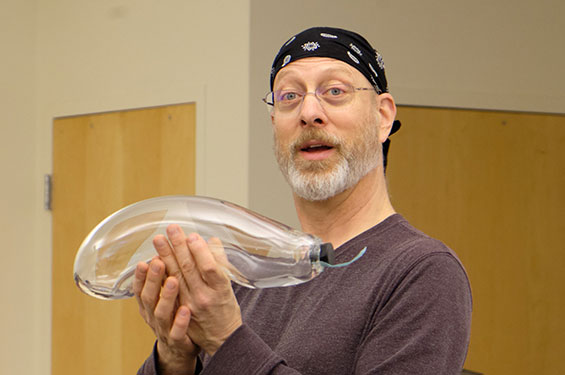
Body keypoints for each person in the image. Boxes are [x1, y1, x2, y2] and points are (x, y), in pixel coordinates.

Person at [133, 26, 472, 375]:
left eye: (335, 91)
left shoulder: (422, 271)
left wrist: (226, 340)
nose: (309, 112)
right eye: (289, 97)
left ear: (383, 116)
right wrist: (174, 359)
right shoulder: (249, 277)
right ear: (274, 122)